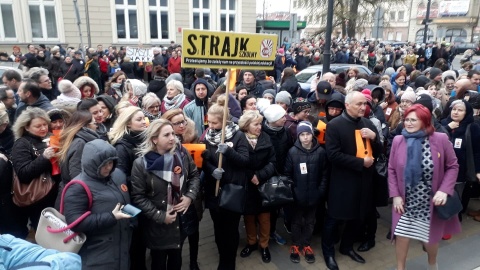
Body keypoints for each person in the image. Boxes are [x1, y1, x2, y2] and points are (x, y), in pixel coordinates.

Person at [388, 104, 461, 270]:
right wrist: (395, 195)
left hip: (430, 201)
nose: (408, 123)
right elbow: (391, 169)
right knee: (402, 235)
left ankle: (432, 264)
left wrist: (444, 190)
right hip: (405, 200)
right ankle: (400, 268)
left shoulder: (440, 139)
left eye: (413, 120)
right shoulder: (399, 140)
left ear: (425, 121)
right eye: (406, 119)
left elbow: (453, 166)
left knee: (429, 239)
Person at [321, 91, 383, 270]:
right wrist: (360, 162)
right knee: (334, 219)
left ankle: (346, 247)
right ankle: (328, 252)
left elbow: (377, 152)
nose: (363, 108)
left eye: (365, 104)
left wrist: (375, 138)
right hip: (342, 182)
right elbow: (332, 155)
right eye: (359, 104)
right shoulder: (335, 125)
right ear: (347, 105)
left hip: (364, 181)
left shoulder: (368, 123)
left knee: (357, 217)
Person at [131, 119, 200, 270]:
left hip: (179, 222)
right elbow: (138, 196)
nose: (172, 138)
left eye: (173, 134)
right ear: (154, 139)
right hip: (158, 226)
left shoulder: (181, 153)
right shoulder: (141, 164)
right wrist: (160, 216)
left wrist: (189, 196)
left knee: (176, 260)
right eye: (166, 135)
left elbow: (194, 175)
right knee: (159, 263)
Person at [63, 139, 132, 270]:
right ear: (92, 163)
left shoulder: (117, 176)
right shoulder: (77, 187)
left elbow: (124, 201)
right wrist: (111, 217)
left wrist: (133, 221)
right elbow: (75, 222)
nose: (108, 167)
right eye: (104, 164)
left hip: (121, 246)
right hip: (97, 254)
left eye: (111, 163)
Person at [201, 97, 249, 269]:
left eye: (215, 123)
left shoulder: (238, 136)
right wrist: (211, 168)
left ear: (225, 121)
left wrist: (229, 151)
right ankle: (222, 256)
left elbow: (244, 161)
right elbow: (203, 160)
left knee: (230, 229)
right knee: (218, 228)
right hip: (214, 191)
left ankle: (229, 262)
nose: (211, 126)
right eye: (210, 122)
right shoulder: (206, 136)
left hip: (232, 191)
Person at [285, 121, 327, 264]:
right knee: (296, 221)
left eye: (307, 134)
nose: (305, 137)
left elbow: (324, 174)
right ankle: (296, 244)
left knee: (310, 221)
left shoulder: (321, 152)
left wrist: (320, 191)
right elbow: (288, 174)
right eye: (302, 135)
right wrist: (293, 191)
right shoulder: (292, 152)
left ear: (312, 134)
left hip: (314, 195)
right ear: (298, 136)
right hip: (298, 195)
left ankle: (306, 244)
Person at [11, 107, 59, 233]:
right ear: (26, 127)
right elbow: (23, 173)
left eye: (45, 125)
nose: (43, 128)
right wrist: (44, 158)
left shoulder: (51, 138)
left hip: (54, 194)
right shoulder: (22, 144)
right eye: (38, 126)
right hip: (38, 199)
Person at [237, 110, 276, 263]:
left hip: (263, 184)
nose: (260, 127)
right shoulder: (239, 139)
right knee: (249, 216)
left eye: (260, 123)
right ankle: (251, 242)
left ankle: (264, 245)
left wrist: (259, 175)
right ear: (246, 126)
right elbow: (238, 162)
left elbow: (273, 162)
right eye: (256, 124)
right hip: (247, 185)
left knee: (265, 217)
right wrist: (250, 175)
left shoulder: (266, 138)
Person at [441, 100, 480, 217]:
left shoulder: (472, 127)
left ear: (466, 112)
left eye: (460, 110)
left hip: (461, 169)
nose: (456, 112)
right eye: (454, 109)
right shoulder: (443, 123)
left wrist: (478, 170)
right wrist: (447, 128)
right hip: (442, 167)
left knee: (457, 194)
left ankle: (454, 218)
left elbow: (477, 151)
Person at [57, 110, 99, 185]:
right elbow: (76, 174)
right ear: (86, 126)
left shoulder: (76, 139)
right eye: (94, 123)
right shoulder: (80, 143)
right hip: (79, 190)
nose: (97, 126)